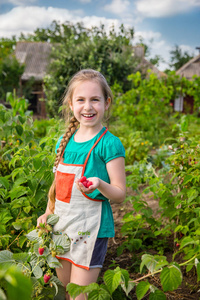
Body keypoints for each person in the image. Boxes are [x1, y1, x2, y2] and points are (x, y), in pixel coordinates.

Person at [37, 69, 126, 300]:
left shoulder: (109, 144)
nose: (88, 107)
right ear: (70, 104)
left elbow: (119, 194)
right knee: (66, 290)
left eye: (95, 99)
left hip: (90, 231)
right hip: (62, 228)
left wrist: (99, 184)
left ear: (106, 103)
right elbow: (57, 187)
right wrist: (48, 213)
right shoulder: (63, 142)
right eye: (81, 100)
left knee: (80, 296)